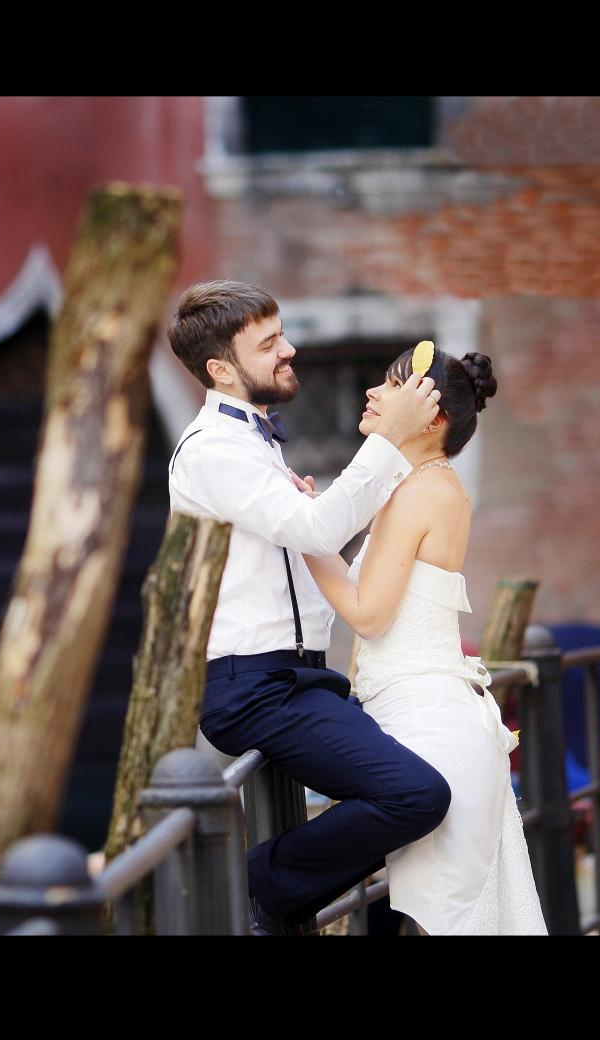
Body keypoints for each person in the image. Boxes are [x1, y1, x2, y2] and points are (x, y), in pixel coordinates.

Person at [167, 280, 451, 935]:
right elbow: (321, 530)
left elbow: (311, 536)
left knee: (429, 798)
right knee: (415, 795)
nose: (288, 350)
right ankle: (253, 890)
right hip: (252, 687)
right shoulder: (212, 450)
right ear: (220, 369)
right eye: (268, 345)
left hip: (299, 678)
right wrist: (393, 440)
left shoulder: (256, 441)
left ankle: (277, 899)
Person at [302, 345, 549, 934]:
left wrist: (302, 536)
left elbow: (367, 613)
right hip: (418, 719)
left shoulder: (422, 492)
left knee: (444, 917)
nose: (373, 394)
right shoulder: (419, 486)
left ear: (432, 417)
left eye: (391, 386)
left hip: (429, 725)